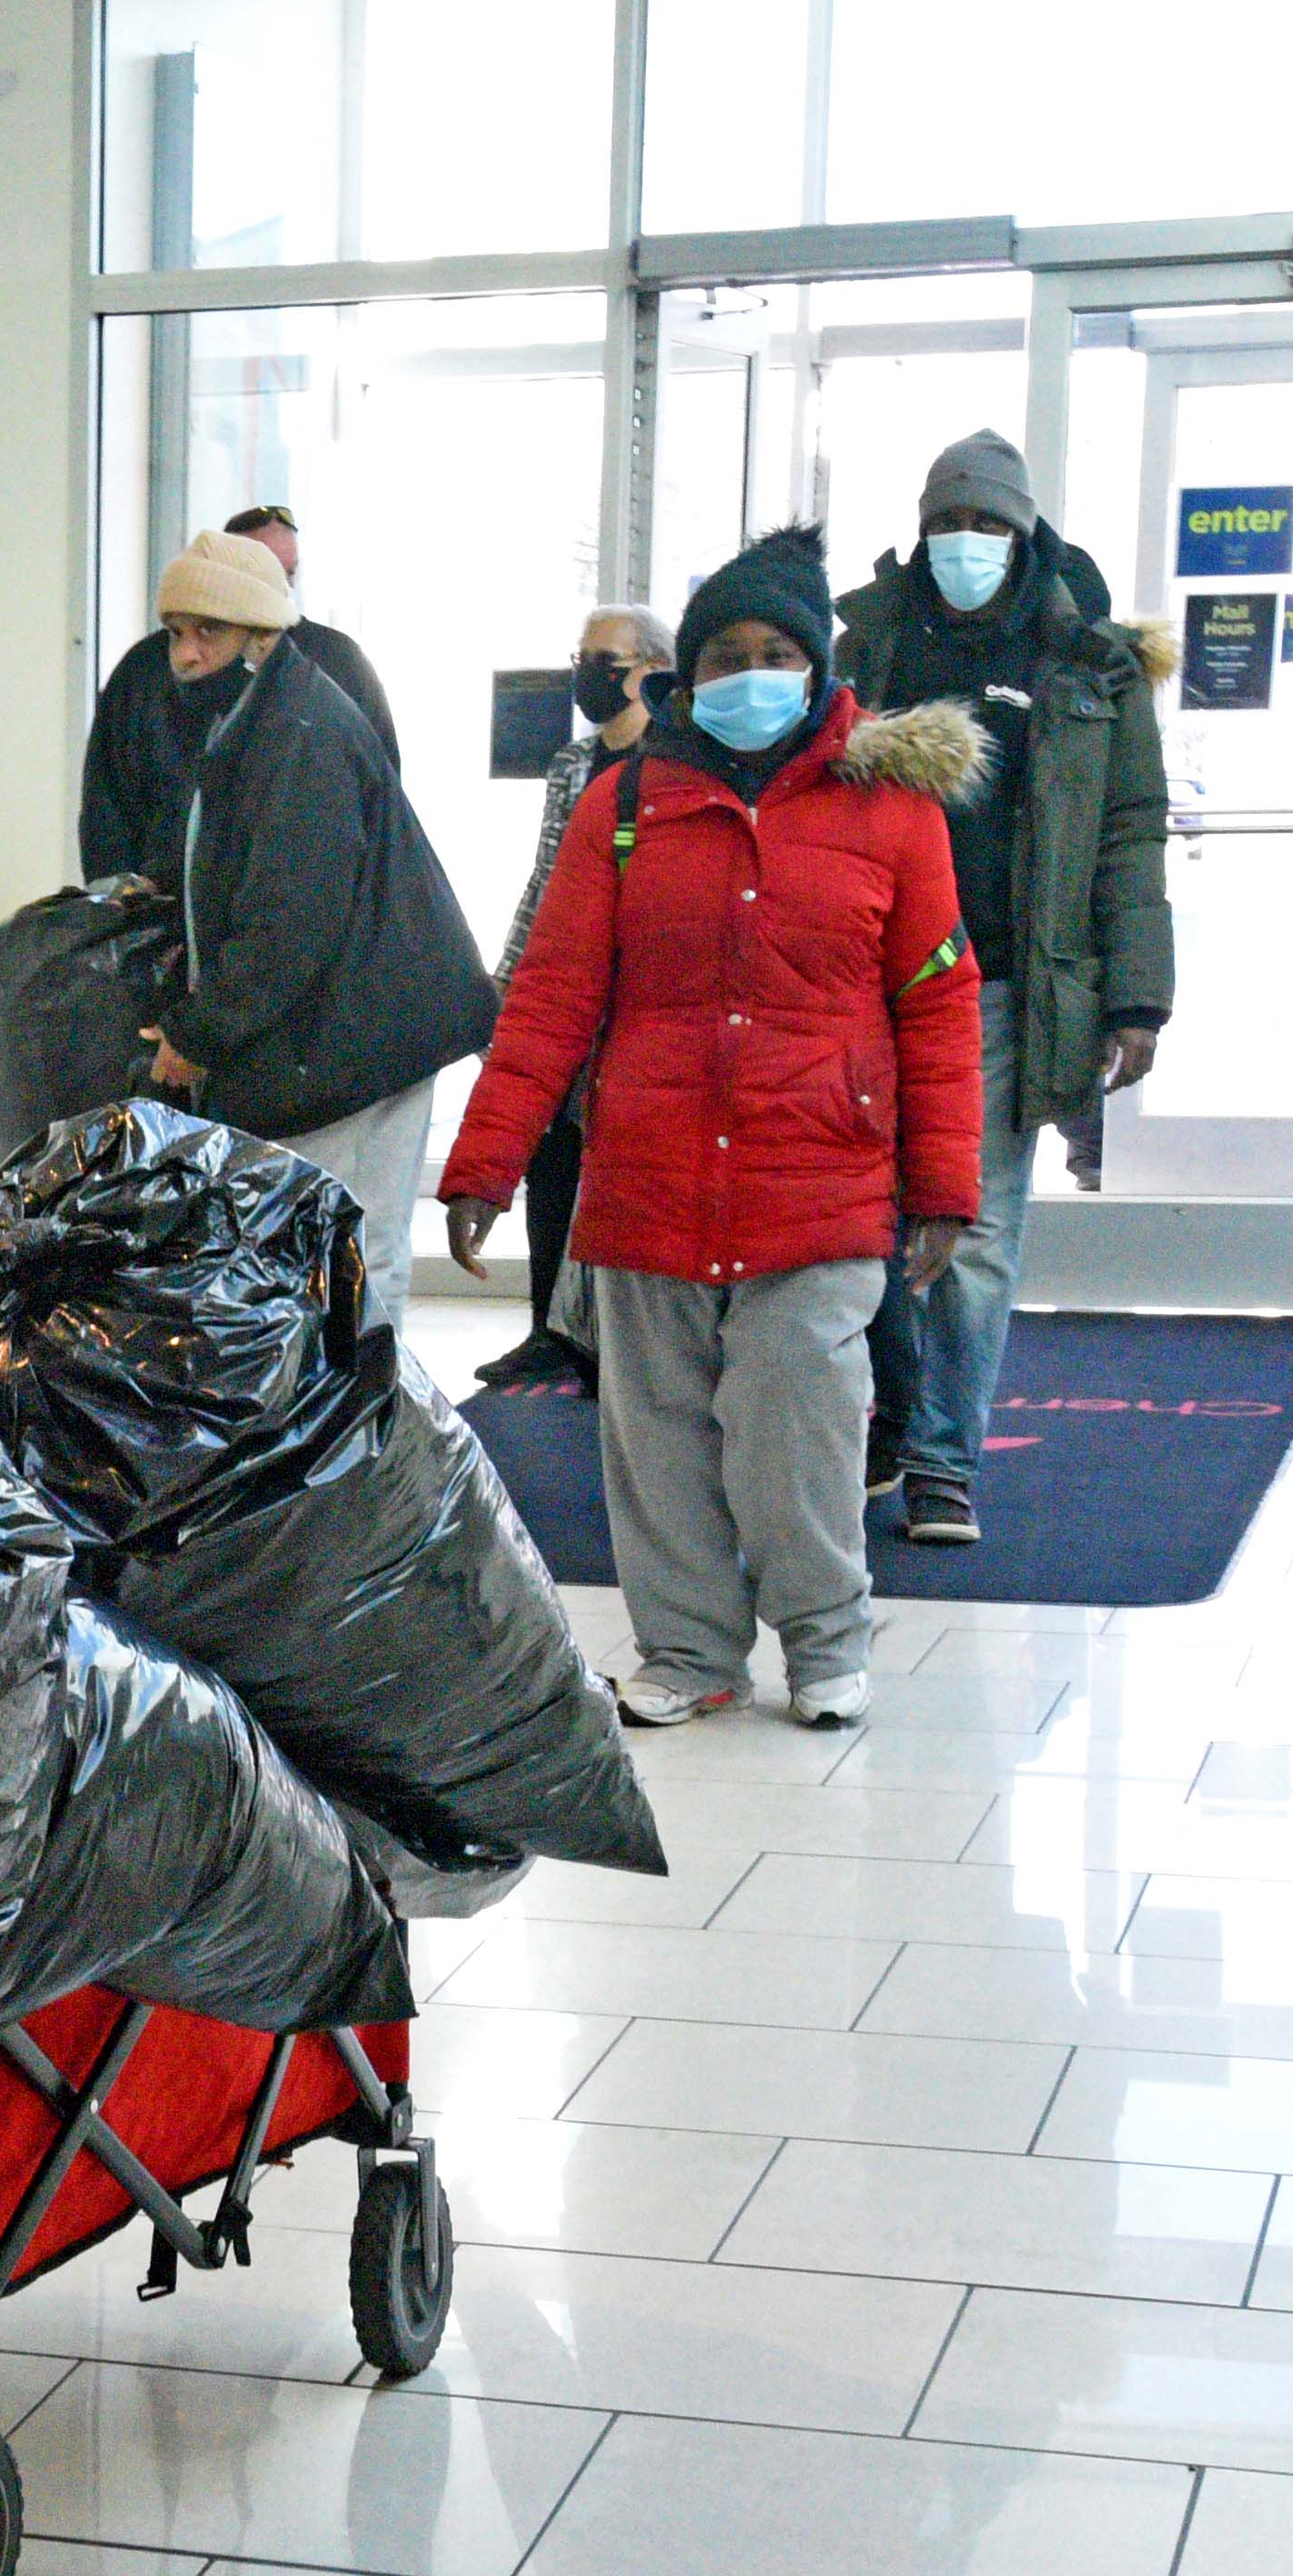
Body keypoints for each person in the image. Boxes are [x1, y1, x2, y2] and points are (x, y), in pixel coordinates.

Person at [440, 525, 983, 1729]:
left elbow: (938, 1001)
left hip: (821, 1181)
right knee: (660, 1445)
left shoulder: (893, 809)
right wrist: (489, 1161)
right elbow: (552, 995)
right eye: (726, 651)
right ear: (687, 673)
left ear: (819, 666)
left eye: (776, 650)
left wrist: (943, 1185)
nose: (750, 672)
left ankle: (827, 1640)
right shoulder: (625, 808)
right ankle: (687, 1649)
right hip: (647, 1180)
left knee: (801, 1428)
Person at [838, 432, 1174, 1547]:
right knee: (854, 1222)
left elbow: (1126, 828)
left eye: (987, 524)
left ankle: (942, 1459)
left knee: (970, 1225)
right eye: (946, 522)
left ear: (1023, 531)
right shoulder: (868, 643)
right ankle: (880, 1422)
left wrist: (1135, 996)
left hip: (999, 986)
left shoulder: (1086, 660)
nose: (964, 543)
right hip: (861, 977)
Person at [136, 527, 495, 1329]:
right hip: (342, 1024)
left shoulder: (300, 736)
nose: (187, 655)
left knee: (348, 1253)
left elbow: (288, 919)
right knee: (326, 1250)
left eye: (210, 633)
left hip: (361, 1037)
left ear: (263, 637)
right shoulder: (258, 720)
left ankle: (367, 1439)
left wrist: (200, 1030)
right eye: (176, 633)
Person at [474, 603, 677, 1387]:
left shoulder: (669, 764)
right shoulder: (570, 764)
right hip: (567, 985)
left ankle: (611, 1338)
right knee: (550, 1158)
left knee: (617, 1164)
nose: (590, 672)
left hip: (635, 994)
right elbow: (545, 880)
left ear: (652, 670)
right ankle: (546, 1327)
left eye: (608, 659)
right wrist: (507, 983)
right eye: (583, 656)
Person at [80, 502, 401, 881]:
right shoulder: (143, 674)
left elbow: (378, 814)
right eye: (181, 632)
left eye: (286, 575)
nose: (189, 655)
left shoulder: (330, 681)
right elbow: (106, 814)